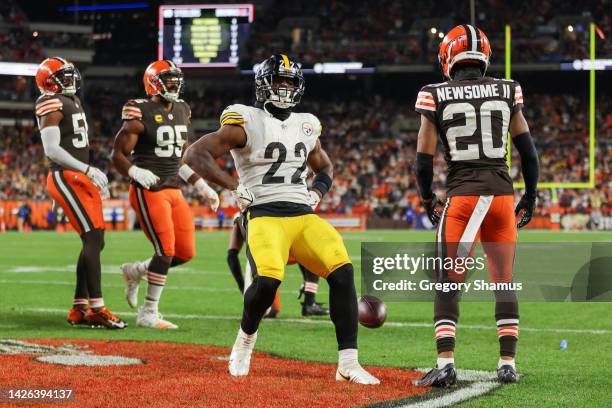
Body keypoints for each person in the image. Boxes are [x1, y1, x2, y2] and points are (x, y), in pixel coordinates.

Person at [184, 54, 379, 384]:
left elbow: (326, 167)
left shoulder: (306, 123)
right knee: (268, 281)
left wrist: (316, 193)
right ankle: (244, 343)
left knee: (343, 270)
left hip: (302, 214)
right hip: (263, 213)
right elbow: (195, 154)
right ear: (263, 83)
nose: (284, 87)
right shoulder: (245, 119)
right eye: (278, 80)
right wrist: (233, 185)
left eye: (289, 81)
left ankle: (348, 363)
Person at [413, 25, 539, 386]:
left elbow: (423, 158)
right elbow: (528, 152)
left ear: (448, 57)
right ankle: (507, 363)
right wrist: (530, 196)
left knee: (448, 281)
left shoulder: (433, 93)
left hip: (464, 197)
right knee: (504, 281)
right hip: (502, 198)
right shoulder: (507, 89)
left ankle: (446, 361)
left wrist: (426, 199)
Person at [111, 60, 219, 329]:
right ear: (153, 83)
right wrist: (135, 172)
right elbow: (117, 155)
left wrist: (202, 186)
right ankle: (148, 312)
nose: (174, 84)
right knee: (166, 250)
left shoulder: (183, 109)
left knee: (185, 252)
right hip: (149, 189)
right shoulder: (139, 109)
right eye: (168, 79)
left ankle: (135, 271)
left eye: (175, 79)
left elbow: (177, 160)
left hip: (174, 188)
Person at [35, 57, 126, 329]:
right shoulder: (49, 102)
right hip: (67, 176)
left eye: (70, 74)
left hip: (75, 176)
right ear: (48, 81)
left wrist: (86, 172)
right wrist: (87, 170)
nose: (70, 79)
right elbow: (51, 150)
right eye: (63, 75)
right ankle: (96, 307)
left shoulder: (72, 100)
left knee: (96, 239)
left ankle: (80, 306)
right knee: (93, 238)